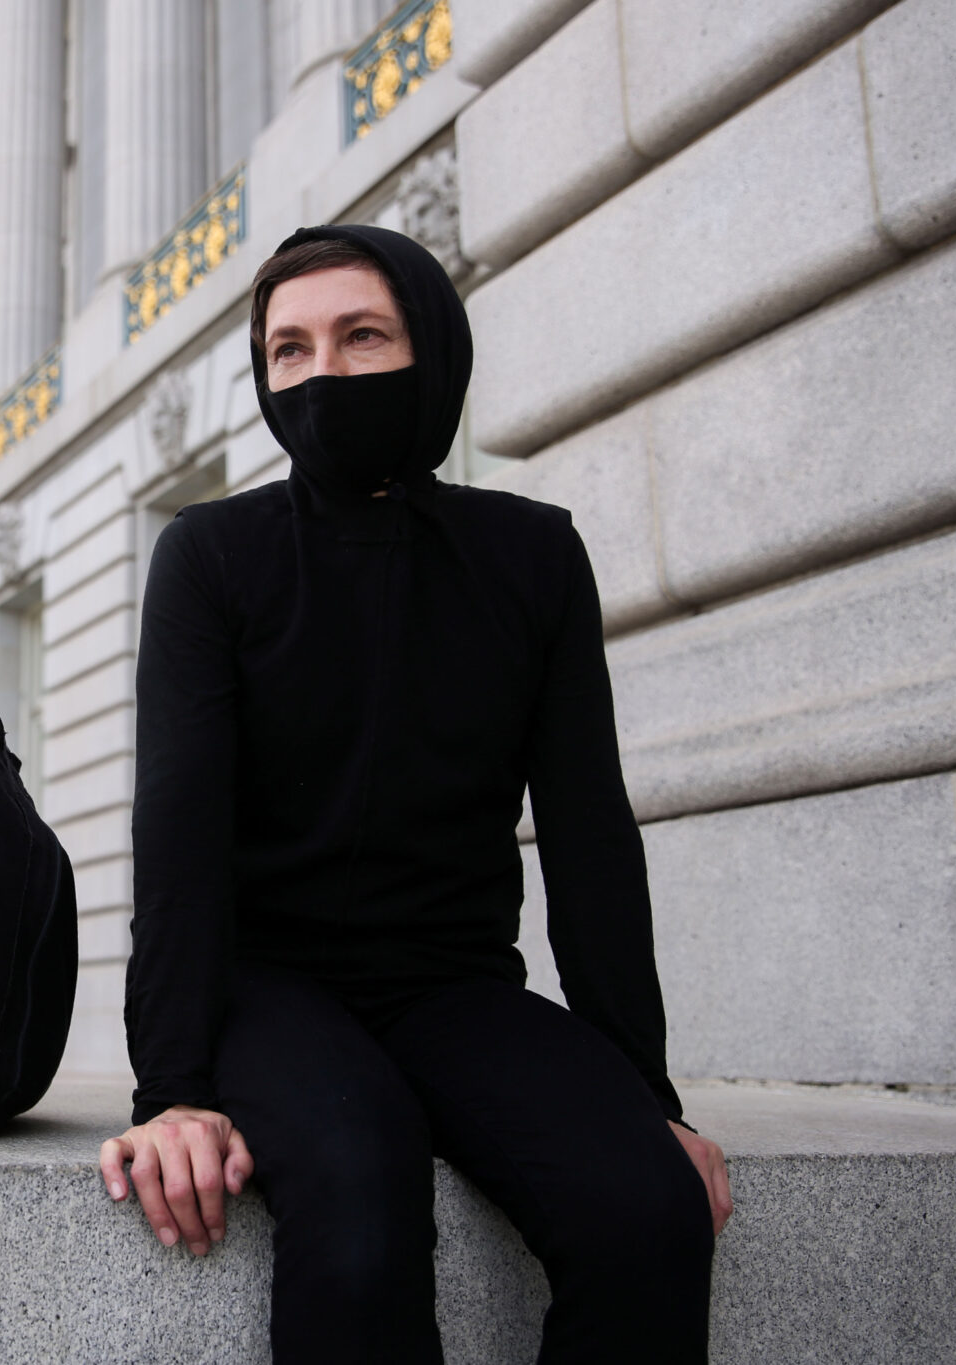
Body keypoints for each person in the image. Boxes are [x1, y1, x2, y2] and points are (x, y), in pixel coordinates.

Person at [98, 225, 733, 1363]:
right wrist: (172, 1089)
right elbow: (177, 840)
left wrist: (643, 1093)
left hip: (451, 987)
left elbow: (589, 835)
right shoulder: (208, 556)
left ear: (428, 348)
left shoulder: (531, 555)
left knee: (646, 1207)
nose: (322, 374)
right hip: (267, 992)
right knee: (356, 1182)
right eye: (286, 351)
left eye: (360, 336)